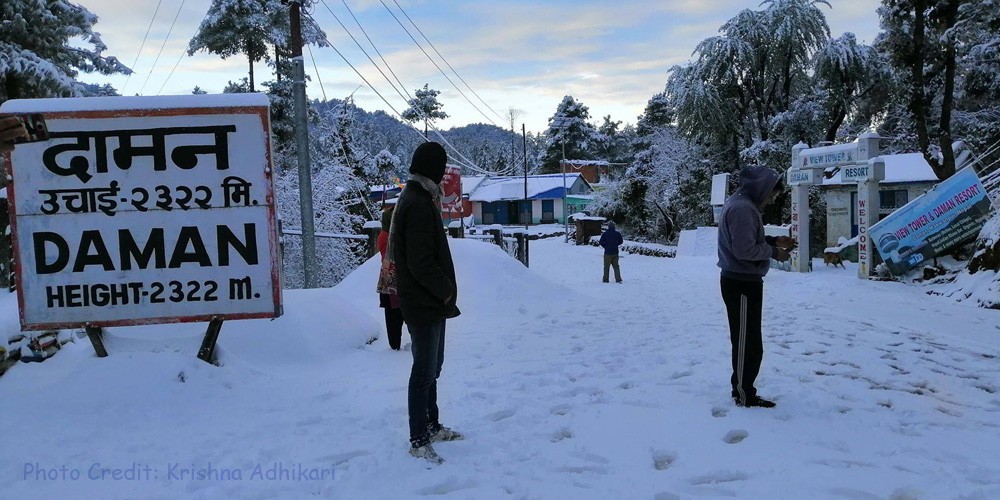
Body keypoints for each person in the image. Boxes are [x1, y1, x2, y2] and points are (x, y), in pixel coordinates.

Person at [388, 141, 463, 464]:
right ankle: (419, 438)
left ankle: (431, 426)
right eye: (442, 168)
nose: (445, 175)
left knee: (433, 368)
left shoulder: (419, 196)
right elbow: (420, 262)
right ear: (432, 168)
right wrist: (445, 290)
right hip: (423, 301)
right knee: (423, 372)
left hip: (428, 301)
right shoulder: (418, 202)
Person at [717, 166, 794, 409]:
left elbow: (746, 241)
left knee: (750, 342)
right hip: (741, 283)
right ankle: (743, 394)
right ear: (762, 187)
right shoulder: (742, 208)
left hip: (744, 282)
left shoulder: (742, 204)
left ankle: (743, 389)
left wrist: (772, 241)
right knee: (746, 343)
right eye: (771, 193)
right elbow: (744, 250)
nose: (770, 198)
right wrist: (774, 252)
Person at [377, 200, 405, 350]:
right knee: (395, 314)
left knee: (394, 314)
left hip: (389, 279)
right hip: (393, 279)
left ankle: (395, 344)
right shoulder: (387, 237)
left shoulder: (385, 235)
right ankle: (395, 346)